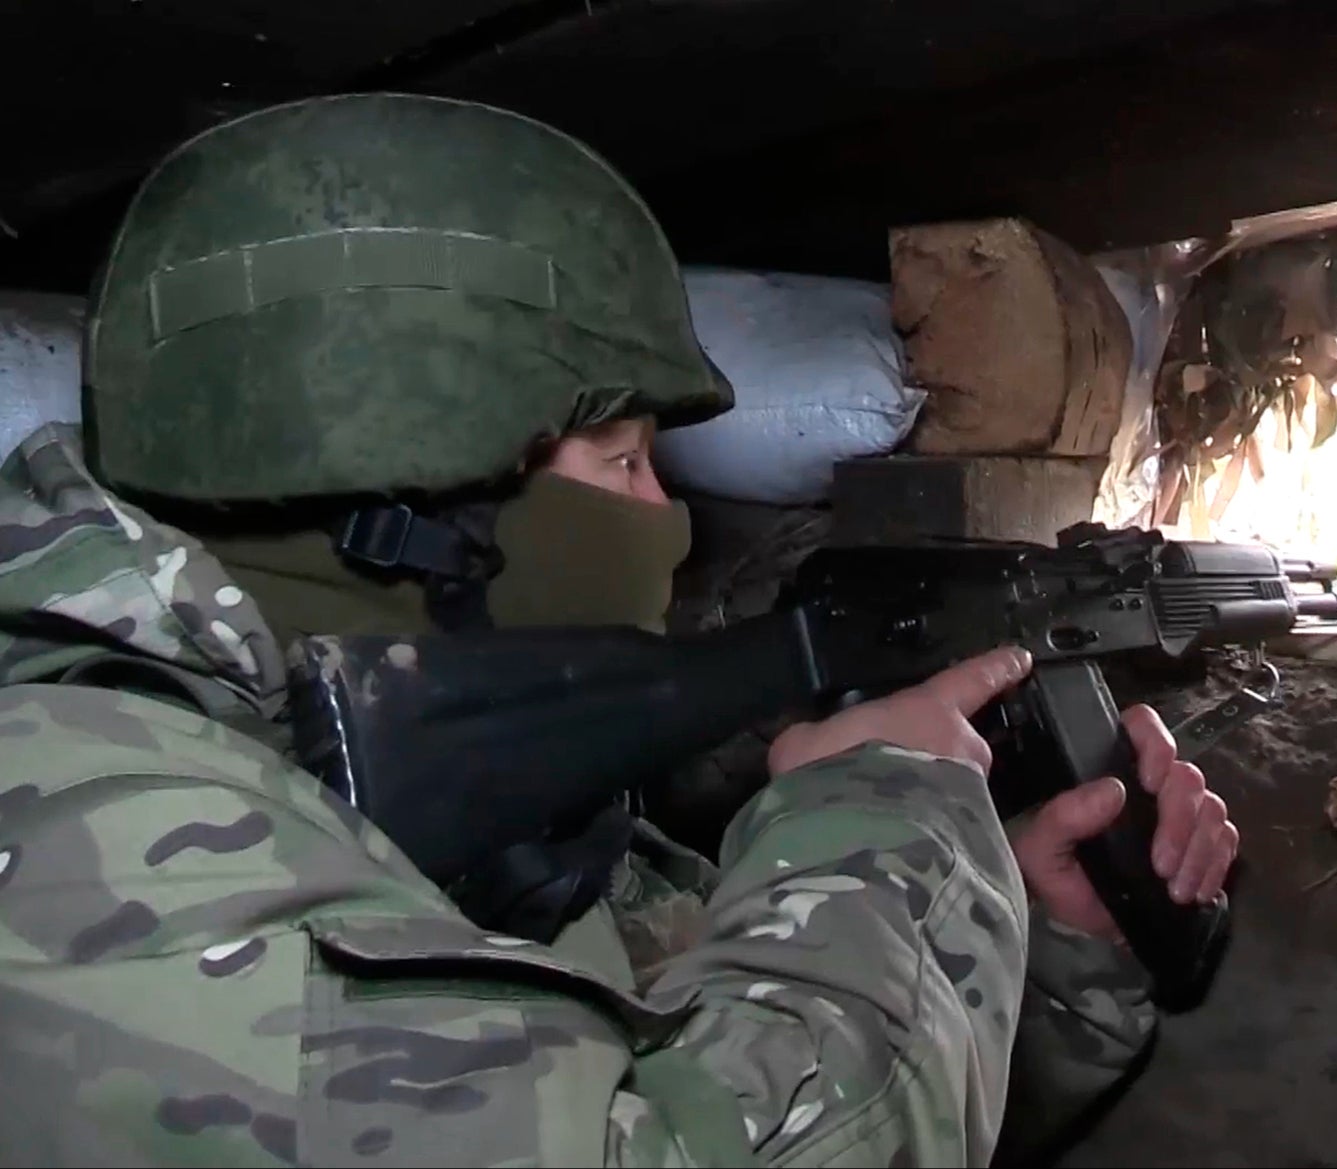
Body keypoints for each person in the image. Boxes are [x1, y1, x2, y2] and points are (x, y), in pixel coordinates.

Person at [0, 92, 1238, 1166]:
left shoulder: (480, 811)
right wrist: (893, 817)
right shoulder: (95, 857)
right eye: (629, 463)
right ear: (425, 505)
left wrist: (1026, 930)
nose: (670, 522)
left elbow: (747, 1069)